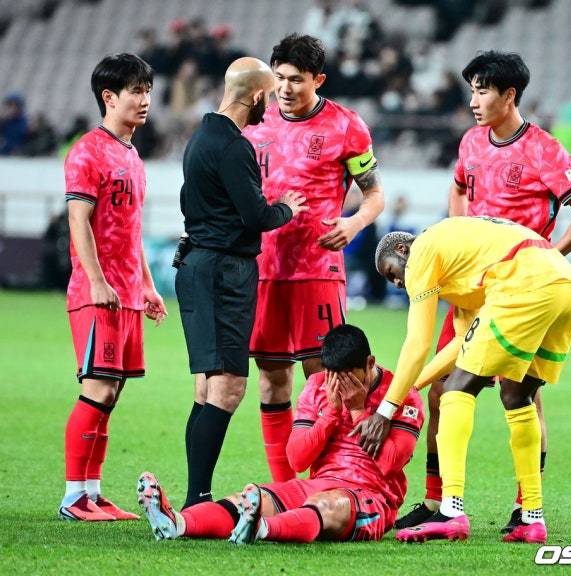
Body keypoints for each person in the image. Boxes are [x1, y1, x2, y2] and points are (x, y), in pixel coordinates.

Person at [394, 50, 571, 533]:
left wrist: (548, 257)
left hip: (521, 292)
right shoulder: (471, 141)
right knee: (440, 390)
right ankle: (436, 500)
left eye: (483, 91)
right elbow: (458, 189)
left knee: (519, 394)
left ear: (509, 96)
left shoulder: (543, 149)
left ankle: (524, 508)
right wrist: (458, 233)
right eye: (471, 90)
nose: (473, 100)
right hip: (473, 292)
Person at [357, 217, 571, 544]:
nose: (395, 283)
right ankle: (531, 518)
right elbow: (461, 344)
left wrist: (385, 410)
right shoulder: (463, 272)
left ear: (402, 249)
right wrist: (411, 388)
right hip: (566, 285)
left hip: (523, 283)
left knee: (455, 389)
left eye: (391, 272)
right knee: (517, 396)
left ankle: (451, 511)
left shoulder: (421, 251)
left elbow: (418, 343)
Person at [243, 34, 385, 484]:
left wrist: (355, 223)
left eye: (296, 80)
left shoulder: (346, 126)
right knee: (271, 378)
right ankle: (285, 488)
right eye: (279, 78)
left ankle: (330, 480)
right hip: (264, 268)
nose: (285, 88)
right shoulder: (254, 121)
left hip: (318, 269)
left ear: (318, 80)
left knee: (327, 378)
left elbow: (375, 195)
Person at [136, 324, 424, 543]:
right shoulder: (318, 385)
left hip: (371, 497)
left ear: (370, 364)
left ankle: (261, 528)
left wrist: (359, 410)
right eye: (332, 377)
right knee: (252, 499)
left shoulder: (402, 395)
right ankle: (177, 523)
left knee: (325, 505)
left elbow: (390, 464)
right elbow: (297, 459)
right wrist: (331, 414)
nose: (339, 386)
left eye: (348, 377)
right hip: (317, 484)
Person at [175, 57, 307, 511]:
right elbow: (257, 216)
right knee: (229, 387)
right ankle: (197, 499)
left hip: (198, 266)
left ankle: (196, 499)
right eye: (267, 97)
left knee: (207, 388)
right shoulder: (234, 146)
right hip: (223, 273)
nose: (268, 107)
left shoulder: (199, 139)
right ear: (256, 95)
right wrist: (287, 207)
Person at [59, 53, 167, 521]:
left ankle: (92, 492)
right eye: (136, 91)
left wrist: (147, 286)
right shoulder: (88, 151)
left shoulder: (131, 155)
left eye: (148, 91)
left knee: (112, 394)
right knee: (98, 390)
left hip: (126, 296)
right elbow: (77, 220)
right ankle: (72, 497)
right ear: (109, 97)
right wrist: (98, 281)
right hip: (97, 294)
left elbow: (130, 230)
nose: (145, 100)